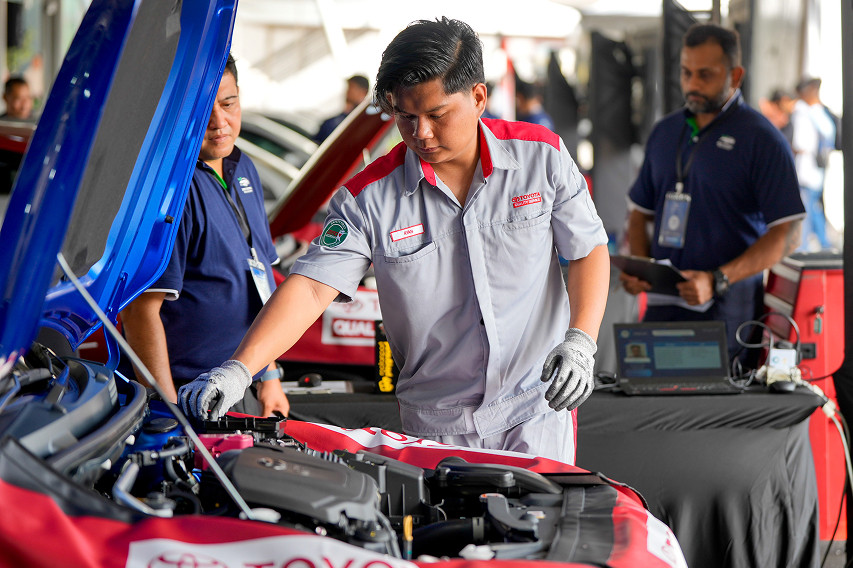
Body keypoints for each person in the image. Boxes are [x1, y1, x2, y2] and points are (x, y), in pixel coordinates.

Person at [178, 17, 610, 463]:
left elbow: (588, 249)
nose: (420, 133)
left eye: (436, 115)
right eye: (405, 116)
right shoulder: (368, 198)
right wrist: (239, 368)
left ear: (478, 96)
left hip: (536, 405)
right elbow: (309, 288)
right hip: (439, 424)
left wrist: (581, 341)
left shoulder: (542, 156)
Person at [620, 23, 804, 363]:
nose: (692, 85)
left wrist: (718, 279)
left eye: (705, 75)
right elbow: (640, 213)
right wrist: (642, 270)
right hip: (661, 308)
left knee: (710, 411)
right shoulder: (665, 131)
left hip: (726, 311)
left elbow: (789, 232)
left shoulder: (761, 139)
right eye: (686, 73)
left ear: (735, 75)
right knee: (649, 405)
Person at [121, 54, 289, 418]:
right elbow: (139, 311)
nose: (219, 122)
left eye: (228, 103)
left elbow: (260, 281)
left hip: (241, 384)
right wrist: (165, 413)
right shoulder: (167, 191)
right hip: (189, 397)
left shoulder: (243, 167)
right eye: (202, 110)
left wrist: (270, 375)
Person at [791, 77, 836, 251]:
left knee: (806, 210)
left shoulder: (804, 112)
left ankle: (803, 248)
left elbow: (801, 144)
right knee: (814, 207)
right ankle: (824, 244)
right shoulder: (818, 113)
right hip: (817, 170)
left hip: (808, 171)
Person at [313, 74, 370, 143]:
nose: (348, 91)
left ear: (363, 92)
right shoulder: (342, 115)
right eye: (348, 87)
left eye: (352, 87)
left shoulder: (359, 120)